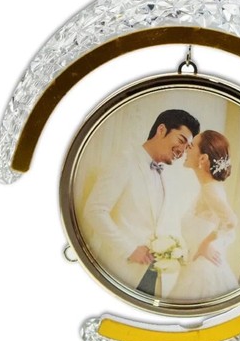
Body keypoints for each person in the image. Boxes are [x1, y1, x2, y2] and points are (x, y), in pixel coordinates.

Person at [82, 109, 200, 296]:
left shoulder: (168, 176)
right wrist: (129, 249)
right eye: (181, 140)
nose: (182, 151)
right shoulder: (124, 160)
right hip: (121, 270)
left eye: (187, 147)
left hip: (156, 276)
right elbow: (94, 211)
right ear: (161, 130)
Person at [170, 130, 238, 301]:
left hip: (203, 271)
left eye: (191, 146)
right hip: (200, 265)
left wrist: (206, 243)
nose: (186, 148)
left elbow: (231, 221)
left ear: (203, 159)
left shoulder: (210, 189)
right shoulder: (210, 187)